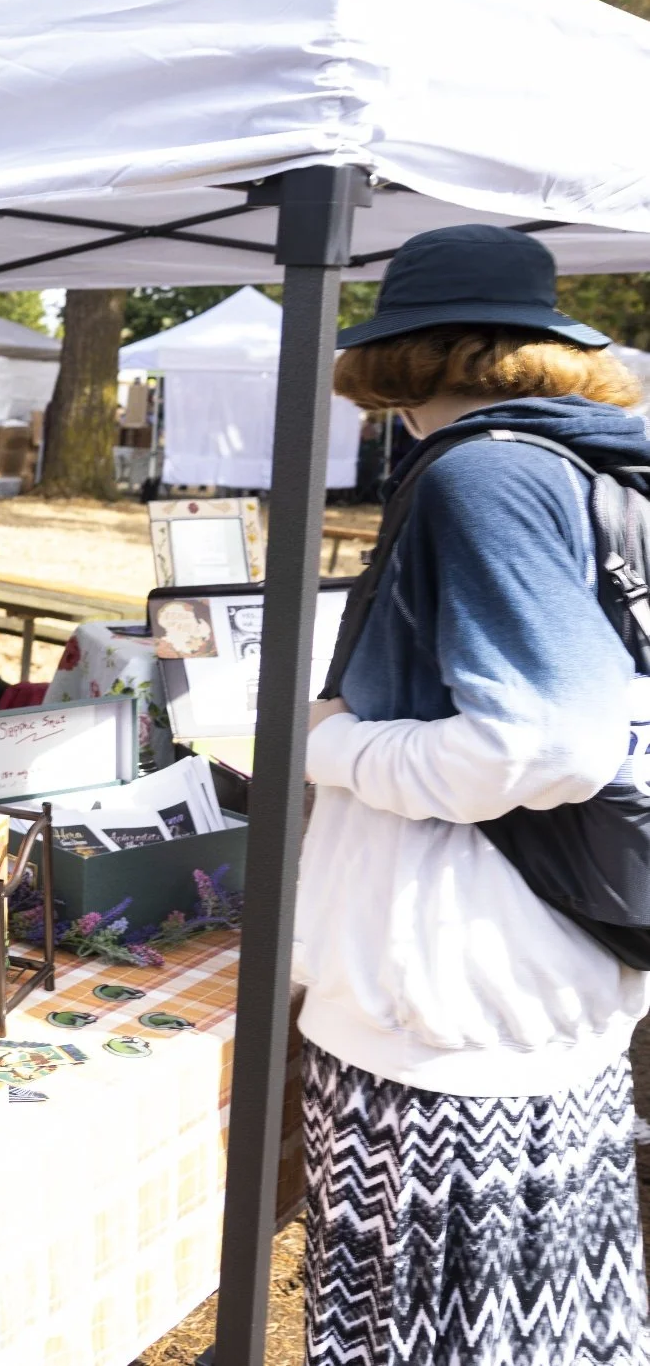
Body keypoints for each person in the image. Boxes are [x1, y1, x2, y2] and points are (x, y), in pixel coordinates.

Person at [299, 223, 650, 1365]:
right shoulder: (590, 461)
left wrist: (330, 745)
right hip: (536, 962)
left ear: (403, 357)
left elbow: (541, 741)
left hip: (457, 996)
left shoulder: (484, 470)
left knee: (430, 1324)